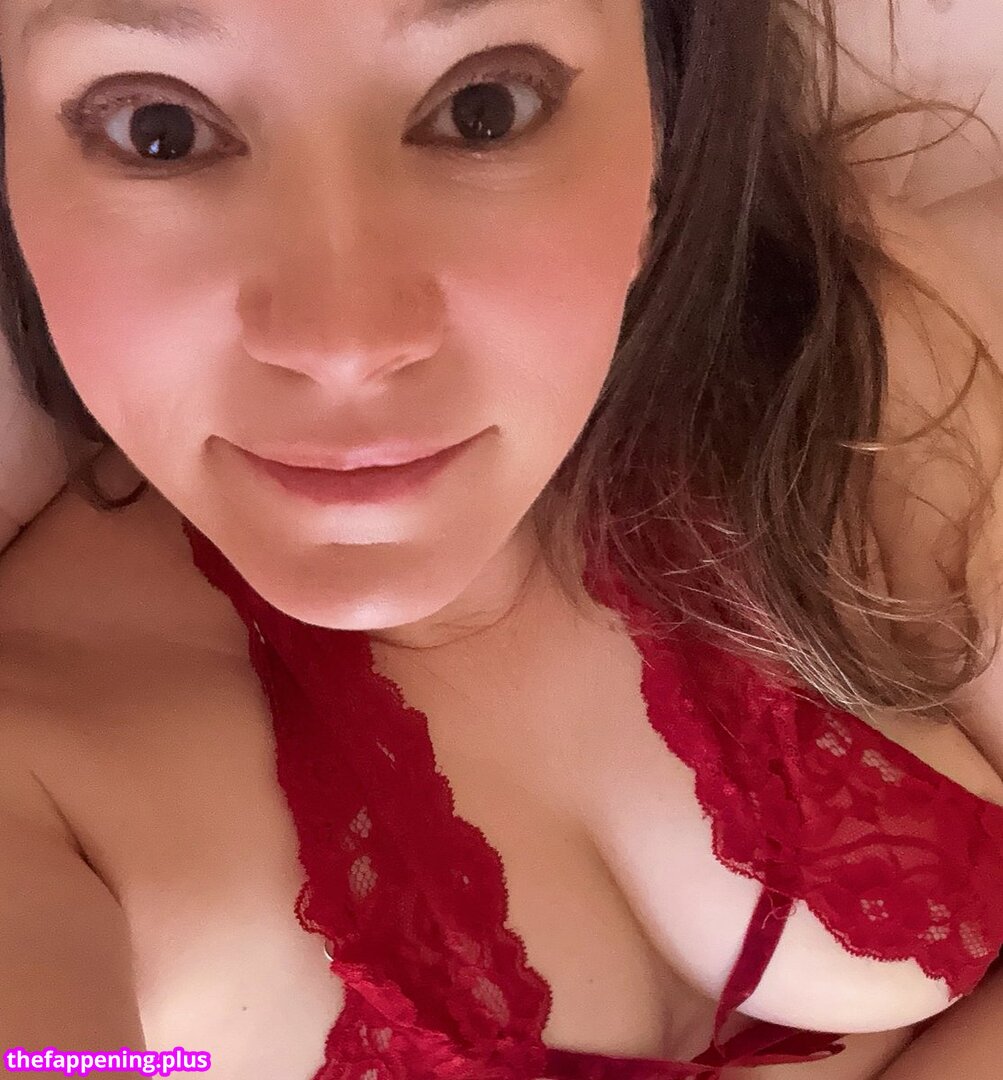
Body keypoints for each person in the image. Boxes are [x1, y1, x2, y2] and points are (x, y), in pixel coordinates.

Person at [0, 0, 1002, 1077]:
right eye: (157, 131)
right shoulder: (35, 796)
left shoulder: (823, 346)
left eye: (484, 107)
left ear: (662, 105)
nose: (348, 344)